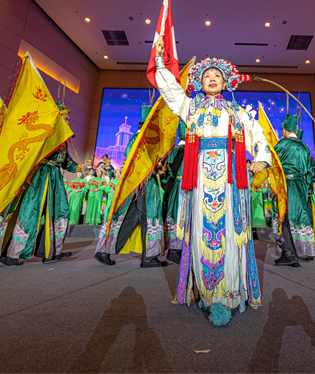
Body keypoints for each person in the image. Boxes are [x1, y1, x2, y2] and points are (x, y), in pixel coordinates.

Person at [154, 38, 272, 326]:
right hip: (200, 179)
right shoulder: (191, 107)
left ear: (225, 82)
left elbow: (257, 135)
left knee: (230, 232)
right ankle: (207, 294)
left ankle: (228, 295)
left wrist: (261, 159)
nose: (211, 78)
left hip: (230, 180)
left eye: (217, 75)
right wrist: (160, 61)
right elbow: (171, 91)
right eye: (206, 75)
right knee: (201, 231)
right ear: (200, 82)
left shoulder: (235, 111)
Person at [0, 102, 80, 265]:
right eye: (65, 119)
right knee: (30, 213)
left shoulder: (64, 139)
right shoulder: (46, 133)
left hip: (55, 179)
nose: (68, 122)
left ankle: (50, 252)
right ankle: (12, 253)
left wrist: (78, 167)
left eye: (69, 119)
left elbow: (65, 161)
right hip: (40, 177)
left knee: (60, 212)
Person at [94, 106, 167, 268]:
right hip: (144, 183)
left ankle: (105, 251)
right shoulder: (145, 138)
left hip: (134, 183)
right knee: (148, 216)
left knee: (131, 217)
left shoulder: (135, 138)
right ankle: (149, 257)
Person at [273, 114, 315, 266]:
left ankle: (288, 253)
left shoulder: (283, 144)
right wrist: (307, 186)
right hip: (302, 187)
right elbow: (314, 173)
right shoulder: (304, 147)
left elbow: (271, 161)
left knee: (285, 216)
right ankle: (303, 250)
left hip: (287, 185)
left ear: (285, 129)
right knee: (300, 217)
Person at [161, 123, 186, 264]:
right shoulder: (186, 150)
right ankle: (176, 249)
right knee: (180, 215)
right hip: (183, 187)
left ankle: (172, 247)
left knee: (172, 215)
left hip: (171, 187)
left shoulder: (172, 151)